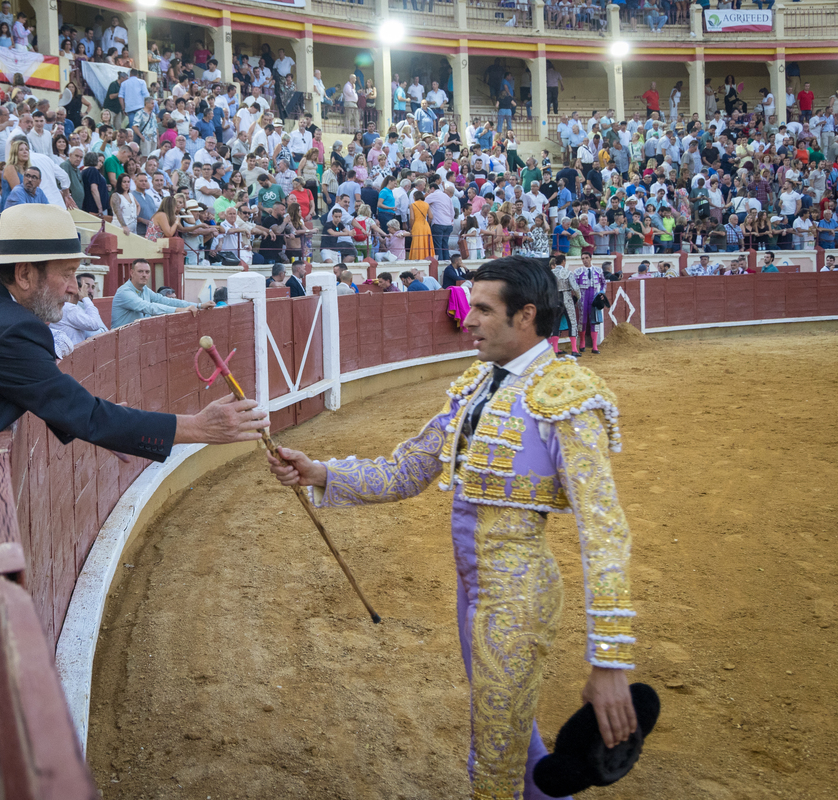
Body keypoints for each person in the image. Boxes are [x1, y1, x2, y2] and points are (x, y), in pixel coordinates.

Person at [266, 255, 638, 800]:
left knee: (493, 759)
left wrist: (609, 661)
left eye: (483, 309)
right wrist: (318, 471)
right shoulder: (479, 384)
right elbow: (408, 469)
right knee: (509, 731)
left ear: (526, 316)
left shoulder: (569, 398)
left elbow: (604, 529)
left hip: (516, 600)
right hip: (474, 594)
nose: (467, 319)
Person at [0, 203, 268, 679]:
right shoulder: (9, 327)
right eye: (69, 273)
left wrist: (100, 430)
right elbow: (77, 409)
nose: (75, 287)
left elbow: (49, 398)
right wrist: (199, 428)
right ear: (27, 274)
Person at [111, 258, 212, 328]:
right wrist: (181, 310)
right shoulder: (124, 292)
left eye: (147, 272)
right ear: (132, 273)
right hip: (121, 341)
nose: (144, 275)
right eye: (140, 271)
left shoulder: (145, 290)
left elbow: (165, 301)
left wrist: (199, 305)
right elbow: (148, 307)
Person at [51, 272, 107, 356]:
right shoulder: (69, 308)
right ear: (78, 289)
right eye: (86, 287)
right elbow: (95, 325)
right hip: (71, 356)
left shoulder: (69, 307)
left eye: (92, 287)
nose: (90, 291)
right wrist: (86, 298)